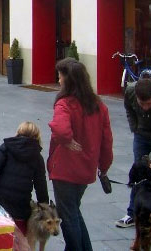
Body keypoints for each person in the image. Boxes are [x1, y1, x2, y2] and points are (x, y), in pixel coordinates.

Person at [48, 58, 113, 250]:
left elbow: (60, 129)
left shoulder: (65, 104)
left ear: (69, 80)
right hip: (86, 169)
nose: (58, 80)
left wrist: (66, 140)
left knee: (68, 218)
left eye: (60, 76)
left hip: (65, 170)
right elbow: (107, 141)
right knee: (73, 212)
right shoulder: (98, 105)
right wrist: (104, 166)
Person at [116, 77, 151, 228]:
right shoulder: (130, 91)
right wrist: (134, 127)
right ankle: (133, 212)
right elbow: (128, 108)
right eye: (142, 104)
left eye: (148, 104)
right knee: (139, 175)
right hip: (141, 134)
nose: (145, 107)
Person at [0, 121, 49, 236]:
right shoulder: (37, 156)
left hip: (1, 198)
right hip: (21, 203)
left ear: (19, 132)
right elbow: (40, 184)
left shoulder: (6, 147)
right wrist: (44, 204)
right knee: (20, 234)